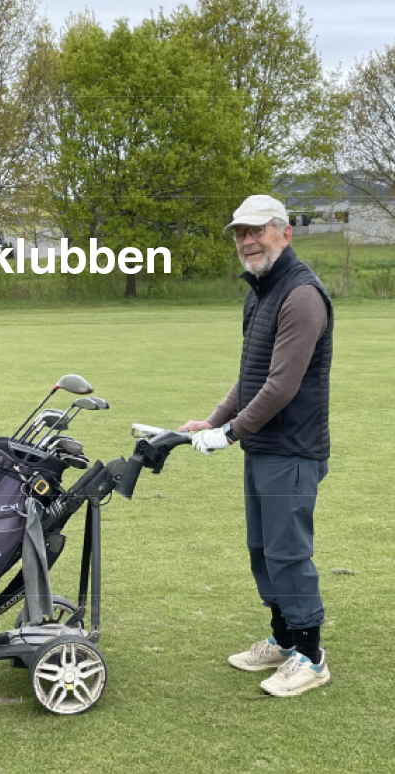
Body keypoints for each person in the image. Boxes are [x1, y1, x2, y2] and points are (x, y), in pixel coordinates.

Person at [180, 194, 333, 697]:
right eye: (240, 233)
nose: (247, 241)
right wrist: (213, 419)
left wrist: (228, 434)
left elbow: (282, 385)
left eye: (257, 230)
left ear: (285, 232)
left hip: (293, 448)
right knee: (263, 550)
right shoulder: (261, 292)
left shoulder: (302, 296)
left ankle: (311, 657)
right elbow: (251, 377)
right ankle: (285, 639)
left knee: (288, 553)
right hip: (264, 446)